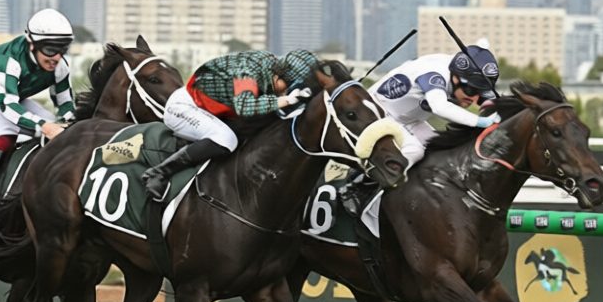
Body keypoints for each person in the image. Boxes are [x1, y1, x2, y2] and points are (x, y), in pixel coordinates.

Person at [338, 41, 501, 216]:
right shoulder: (434, 73)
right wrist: (479, 121)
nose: (474, 98)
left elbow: (487, 101)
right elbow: (440, 107)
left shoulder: (459, 71)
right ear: (455, 78)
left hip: (408, 120)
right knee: (414, 150)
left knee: (439, 149)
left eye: (480, 92)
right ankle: (356, 186)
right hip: (378, 115)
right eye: (471, 90)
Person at [141, 49, 320, 201]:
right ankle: (158, 173)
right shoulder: (248, 73)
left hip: (213, 111)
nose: (287, 92)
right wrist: (286, 99)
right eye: (288, 88)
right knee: (226, 139)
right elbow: (245, 106)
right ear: (281, 78)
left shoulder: (273, 69)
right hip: (184, 109)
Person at [0, 8, 76, 205]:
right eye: (49, 50)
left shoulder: (60, 66)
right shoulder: (9, 61)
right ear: (32, 44)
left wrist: (68, 123)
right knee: (7, 130)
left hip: (14, 97)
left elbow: (65, 104)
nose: (56, 57)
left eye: (62, 49)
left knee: (56, 125)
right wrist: (44, 127)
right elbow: (9, 108)